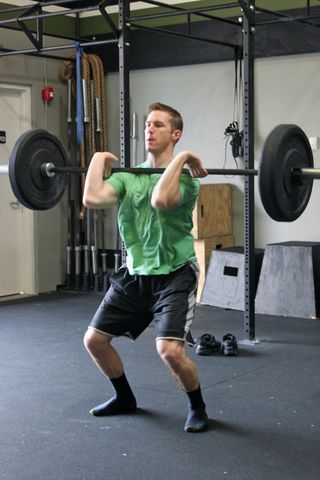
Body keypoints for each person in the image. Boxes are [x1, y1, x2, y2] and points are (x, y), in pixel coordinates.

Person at [82, 102, 209, 432]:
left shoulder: (188, 179)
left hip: (175, 274)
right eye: (147, 125)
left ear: (175, 134)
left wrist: (182, 159)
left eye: (158, 125)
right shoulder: (128, 176)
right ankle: (124, 397)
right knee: (94, 340)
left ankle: (198, 407)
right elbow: (92, 198)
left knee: (169, 350)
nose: (149, 130)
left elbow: (161, 201)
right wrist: (100, 158)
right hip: (135, 274)